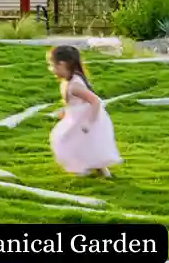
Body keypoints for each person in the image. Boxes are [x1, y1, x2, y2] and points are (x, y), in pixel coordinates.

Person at [47, 45, 121, 178]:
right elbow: (75, 104)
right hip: (78, 120)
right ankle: (100, 173)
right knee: (85, 147)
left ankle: (81, 170)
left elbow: (95, 101)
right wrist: (64, 112)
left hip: (87, 120)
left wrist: (89, 122)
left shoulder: (75, 85)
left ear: (63, 64)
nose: (51, 69)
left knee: (65, 141)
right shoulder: (67, 82)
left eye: (53, 65)